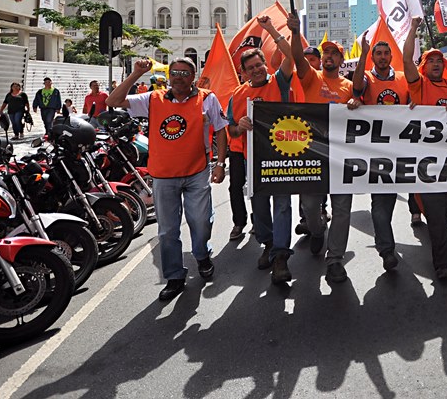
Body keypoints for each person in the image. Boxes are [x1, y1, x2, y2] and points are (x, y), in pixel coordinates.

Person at [107, 56, 228, 301]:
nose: (179, 77)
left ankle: (202, 255)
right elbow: (113, 100)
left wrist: (221, 163)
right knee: (168, 231)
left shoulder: (207, 98)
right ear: (169, 76)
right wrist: (135, 74)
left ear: (193, 76)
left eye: (185, 73)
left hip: (197, 173)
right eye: (175, 73)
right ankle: (174, 276)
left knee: (201, 221)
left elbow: (221, 129)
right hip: (163, 176)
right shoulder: (153, 98)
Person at [402, 20, 447, 280]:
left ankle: (441, 238)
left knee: (443, 210)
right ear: (424, 65)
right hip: (426, 163)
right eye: (431, 60)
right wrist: (412, 30)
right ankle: (443, 263)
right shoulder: (419, 85)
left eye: (439, 61)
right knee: (436, 215)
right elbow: (406, 62)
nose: (436, 63)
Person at [225, 17, 295, 283]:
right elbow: (229, 130)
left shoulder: (279, 81)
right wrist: (239, 128)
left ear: (266, 65)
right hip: (253, 160)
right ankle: (267, 243)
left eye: (259, 65)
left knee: (283, 205)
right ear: (244, 72)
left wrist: (270, 30)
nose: (256, 70)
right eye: (251, 67)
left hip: (282, 156)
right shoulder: (237, 95)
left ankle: (280, 256)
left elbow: (289, 56)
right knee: (260, 207)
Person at [290, 16, 353, 284]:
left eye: (333, 53)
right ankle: (317, 231)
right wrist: (295, 33)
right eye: (325, 52)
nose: (328, 56)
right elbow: (297, 57)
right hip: (312, 155)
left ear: (341, 60)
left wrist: (356, 104)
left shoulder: (349, 87)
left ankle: (335, 259)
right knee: (310, 206)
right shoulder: (311, 78)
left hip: (340, 159)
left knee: (342, 210)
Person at [349, 32, 409, 272]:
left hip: (400, 151)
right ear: (373, 57)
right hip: (374, 152)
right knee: (379, 202)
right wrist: (362, 53)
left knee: (389, 201)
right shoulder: (366, 78)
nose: (383, 57)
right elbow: (355, 87)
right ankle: (387, 249)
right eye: (378, 53)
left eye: (386, 53)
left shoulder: (403, 79)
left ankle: (384, 238)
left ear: (391, 56)